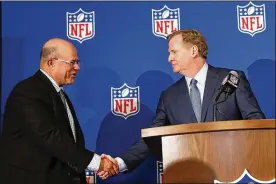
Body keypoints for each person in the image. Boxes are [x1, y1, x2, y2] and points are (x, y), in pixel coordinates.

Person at [97, 29, 266, 179]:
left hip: (233, 172)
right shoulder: (169, 96)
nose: (169, 58)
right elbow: (151, 139)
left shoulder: (231, 80)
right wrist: (119, 163)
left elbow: (256, 123)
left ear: (193, 50)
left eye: (174, 52)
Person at [0, 38, 118, 184]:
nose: (77, 67)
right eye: (72, 62)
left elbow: (67, 142)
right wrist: (97, 162)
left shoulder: (58, 94)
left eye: (77, 62)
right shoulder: (28, 91)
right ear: (51, 63)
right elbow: (51, 137)